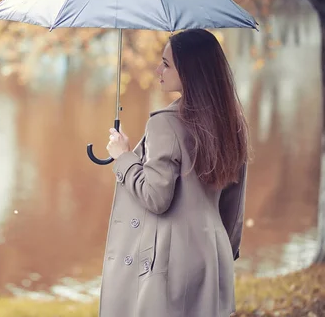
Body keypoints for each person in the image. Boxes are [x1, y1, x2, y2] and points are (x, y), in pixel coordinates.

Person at [99, 29, 249, 317]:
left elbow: (156, 197)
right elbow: (234, 203)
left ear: (191, 70)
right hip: (212, 254)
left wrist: (123, 157)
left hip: (169, 260)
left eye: (166, 64)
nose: (158, 70)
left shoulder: (165, 124)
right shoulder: (232, 121)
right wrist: (224, 253)